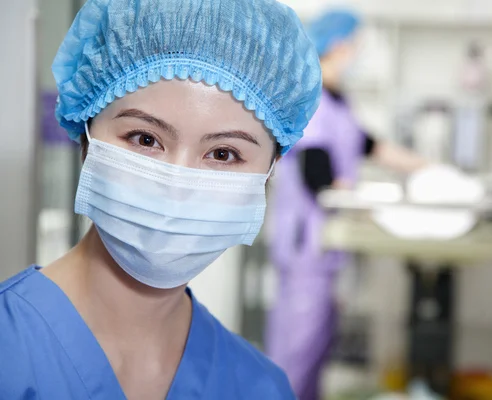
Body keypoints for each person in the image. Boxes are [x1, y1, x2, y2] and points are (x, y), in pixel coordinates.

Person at [0, 0, 321, 399]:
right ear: (87, 138)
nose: (178, 184)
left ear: (269, 172)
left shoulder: (259, 388)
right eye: (145, 139)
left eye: (223, 154)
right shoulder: (7, 349)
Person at [265, 10, 428, 400]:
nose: (358, 55)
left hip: (327, 249)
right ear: (338, 47)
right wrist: (370, 203)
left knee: (317, 352)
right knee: (294, 355)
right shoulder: (312, 99)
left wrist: (432, 170)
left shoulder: (340, 102)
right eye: (356, 47)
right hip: (307, 246)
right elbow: (318, 177)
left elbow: (371, 146)